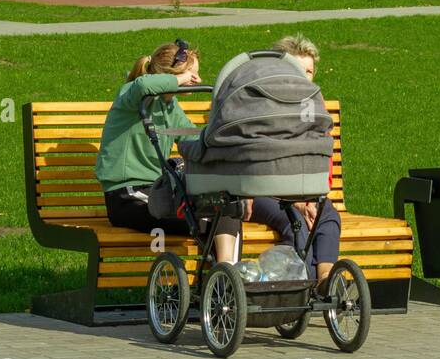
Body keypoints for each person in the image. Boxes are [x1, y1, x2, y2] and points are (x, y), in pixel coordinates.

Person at [96, 40, 240, 264]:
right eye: (192, 74)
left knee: (226, 212)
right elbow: (143, 86)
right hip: (127, 196)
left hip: (159, 193)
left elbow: (193, 141)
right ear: (171, 74)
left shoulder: (170, 107)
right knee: (202, 222)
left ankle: (225, 282)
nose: (197, 81)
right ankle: (219, 287)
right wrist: (180, 79)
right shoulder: (132, 98)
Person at [240, 33, 343, 291]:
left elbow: (321, 156)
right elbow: (259, 158)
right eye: (298, 70)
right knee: (294, 222)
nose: (304, 77)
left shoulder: (314, 107)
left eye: (309, 71)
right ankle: (300, 288)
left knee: (327, 216)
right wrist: (296, 201)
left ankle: (325, 279)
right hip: (264, 191)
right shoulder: (263, 103)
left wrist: (311, 197)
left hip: (305, 190)